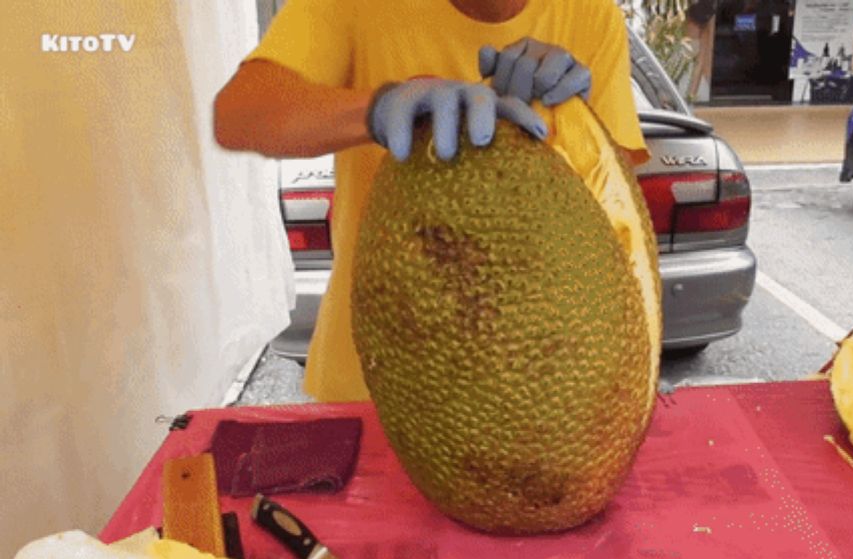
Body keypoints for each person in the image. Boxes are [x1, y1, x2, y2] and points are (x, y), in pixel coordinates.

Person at [213, 0, 648, 402]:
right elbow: (240, 113)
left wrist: (575, 120)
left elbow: (617, 204)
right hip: (370, 383)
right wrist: (377, 109)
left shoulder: (589, 14)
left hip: (541, 387)